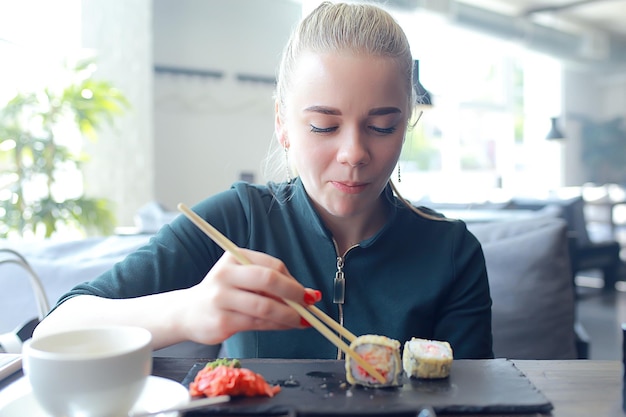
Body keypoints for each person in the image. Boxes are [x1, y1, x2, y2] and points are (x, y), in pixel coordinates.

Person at [35, 1, 493, 360]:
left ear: (407, 122)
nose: (354, 154)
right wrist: (189, 311)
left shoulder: (451, 252)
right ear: (283, 124)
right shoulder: (238, 220)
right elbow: (57, 328)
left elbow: (471, 399)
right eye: (323, 126)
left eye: (382, 126)